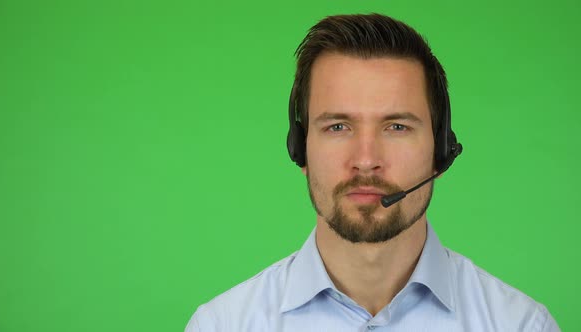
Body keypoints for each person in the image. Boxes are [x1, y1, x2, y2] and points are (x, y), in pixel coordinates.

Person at [185, 13, 560, 331]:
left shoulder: (520, 323)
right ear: (299, 149)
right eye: (337, 127)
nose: (366, 160)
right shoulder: (222, 324)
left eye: (396, 127)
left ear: (442, 152)